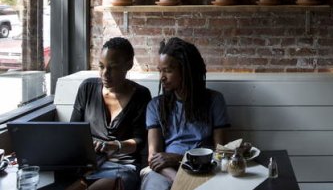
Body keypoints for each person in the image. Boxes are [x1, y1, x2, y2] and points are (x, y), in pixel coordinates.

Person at [140, 37, 230, 190]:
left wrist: (180, 159)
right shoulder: (155, 106)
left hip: (203, 168)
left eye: (168, 70)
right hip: (165, 171)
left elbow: (221, 153)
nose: (162, 77)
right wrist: (178, 181)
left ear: (187, 71)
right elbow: (153, 158)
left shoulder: (214, 100)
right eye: (160, 70)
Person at [70, 37, 152, 190]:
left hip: (122, 166)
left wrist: (114, 146)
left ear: (129, 65)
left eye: (112, 67)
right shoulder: (87, 88)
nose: (105, 74)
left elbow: (140, 141)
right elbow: (72, 131)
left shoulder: (141, 95)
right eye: (101, 66)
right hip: (89, 164)